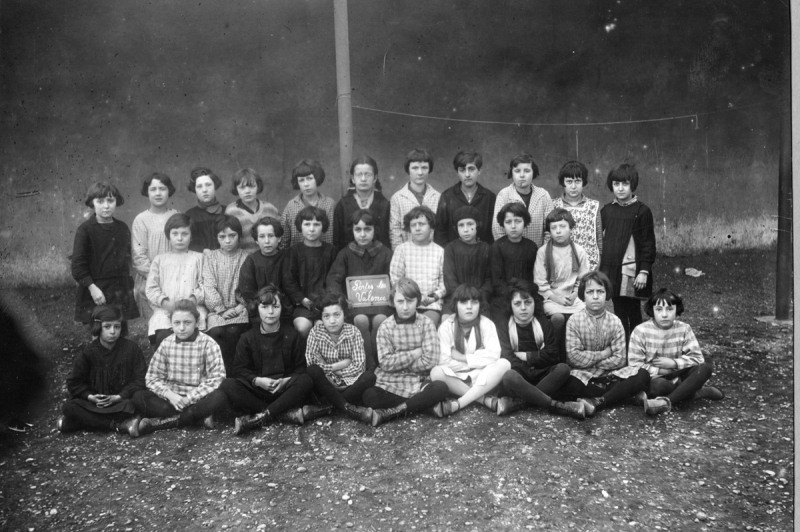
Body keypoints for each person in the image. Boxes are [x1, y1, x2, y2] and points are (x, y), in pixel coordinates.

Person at [220, 285, 326, 435]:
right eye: (265, 307)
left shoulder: (292, 334)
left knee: (306, 380)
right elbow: (239, 369)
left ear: (282, 308)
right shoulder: (247, 338)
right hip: (258, 392)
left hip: (285, 391)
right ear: (257, 309)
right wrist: (257, 381)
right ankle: (282, 414)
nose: (270, 312)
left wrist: (286, 381)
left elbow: (301, 367)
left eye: (275, 306)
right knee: (228, 384)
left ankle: (261, 416)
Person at [361, 278, 450, 426]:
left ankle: (393, 412)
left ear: (418, 301)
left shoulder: (426, 323)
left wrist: (399, 363)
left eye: (410, 301)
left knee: (441, 387)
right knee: (369, 396)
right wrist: (415, 353)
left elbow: (431, 361)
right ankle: (422, 405)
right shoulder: (386, 326)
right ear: (393, 302)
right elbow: (385, 363)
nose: (405, 307)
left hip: (419, 380)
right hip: (391, 381)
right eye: (400, 301)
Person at [134, 299, 228, 436]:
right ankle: (199, 418)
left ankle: (169, 421)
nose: (182, 328)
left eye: (187, 323)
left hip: (198, 399)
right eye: (177, 323)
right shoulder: (166, 344)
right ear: (171, 323)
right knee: (139, 397)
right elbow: (152, 377)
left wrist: (189, 398)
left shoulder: (208, 344)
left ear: (197, 322)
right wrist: (170, 395)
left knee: (221, 396)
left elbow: (217, 377)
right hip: (172, 400)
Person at [494, 279, 586, 419]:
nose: (523, 308)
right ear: (511, 305)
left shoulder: (542, 322)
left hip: (543, 374)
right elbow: (508, 357)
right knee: (509, 376)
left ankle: (521, 402)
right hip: (520, 376)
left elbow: (552, 354)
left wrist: (526, 356)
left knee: (563, 369)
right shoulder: (504, 325)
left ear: (534, 303)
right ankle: (556, 405)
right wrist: (534, 360)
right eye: (517, 304)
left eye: (528, 302)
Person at [562, 271, 650, 416]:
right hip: (583, 376)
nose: (595, 297)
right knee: (568, 383)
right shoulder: (574, 321)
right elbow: (573, 358)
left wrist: (590, 360)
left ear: (607, 294)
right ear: (583, 295)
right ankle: (621, 396)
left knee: (643, 374)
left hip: (612, 375)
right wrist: (604, 354)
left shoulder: (615, 321)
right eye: (590, 292)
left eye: (600, 292)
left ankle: (598, 401)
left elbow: (620, 359)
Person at [628, 288, 724, 415]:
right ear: (652, 311)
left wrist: (673, 363)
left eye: (669, 309)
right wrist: (660, 371)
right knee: (657, 387)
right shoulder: (641, 331)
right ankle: (698, 393)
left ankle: (666, 402)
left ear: (677, 310)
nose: (664, 314)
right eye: (659, 310)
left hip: (679, 374)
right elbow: (634, 365)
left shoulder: (684, 328)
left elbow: (697, 358)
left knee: (704, 368)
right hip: (654, 378)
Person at [57, 305, 146, 436]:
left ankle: (78, 423)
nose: (112, 332)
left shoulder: (132, 349)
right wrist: (91, 397)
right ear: (98, 327)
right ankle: (119, 425)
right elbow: (74, 383)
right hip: (95, 404)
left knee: (136, 404)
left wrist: (119, 396)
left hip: (121, 402)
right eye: (107, 327)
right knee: (68, 407)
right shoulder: (88, 352)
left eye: (117, 327)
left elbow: (140, 380)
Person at [326, 209, 393, 369]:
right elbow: (333, 279)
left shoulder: (385, 253)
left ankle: (379, 359)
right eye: (358, 230)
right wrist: (342, 299)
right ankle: (368, 362)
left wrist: (391, 294)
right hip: (355, 306)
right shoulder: (346, 254)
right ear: (352, 231)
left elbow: (395, 277)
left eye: (367, 229)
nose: (363, 234)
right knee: (361, 320)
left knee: (380, 320)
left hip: (380, 305)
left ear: (375, 230)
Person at [429, 284, 509, 417]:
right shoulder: (446, 327)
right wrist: (479, 359)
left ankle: (458, 403)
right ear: (455, 305)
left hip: (482, 374)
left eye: (474, 302)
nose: (469, 307)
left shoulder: (487, 324)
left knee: (504, 363)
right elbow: (443, 361)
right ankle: (484, 400)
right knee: (436, 372)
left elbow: (494, 354)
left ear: (480, 305)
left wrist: (463, 358)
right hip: (456, 376)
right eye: (464, 302)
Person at [599, 164, 656, 341]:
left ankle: (638, 346)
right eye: (616, 184)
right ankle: (622, 347)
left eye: (625, 184)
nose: (621, 188)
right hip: (612, 270)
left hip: (632, 271)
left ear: (633, 185)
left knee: (633, 311)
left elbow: (648, 243)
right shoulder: (607, 210)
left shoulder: (642, 211)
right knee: (618, 310)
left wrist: (644, 271)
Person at [71, 182, 139, 325]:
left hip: (119, 289)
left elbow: (127, 259)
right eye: (100, 201)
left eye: (110, 200)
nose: (106, 206)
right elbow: (78, 266)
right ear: (92, 203)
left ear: (116, 202)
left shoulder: (122, 228)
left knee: (119, 329)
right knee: (100, 329)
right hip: (96, 289)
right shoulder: (85, 230)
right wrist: (92, 288)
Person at [305, 292, 377, 424]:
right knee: (313, 371)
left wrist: (331, 368)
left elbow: (359, 366)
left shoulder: (353, 332)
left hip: (349, 384)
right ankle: (347, 407)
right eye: (326, 316)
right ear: (321, 316)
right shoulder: (315, 332)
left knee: (369, 377)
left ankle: (327, 408)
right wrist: (342, 364)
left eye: (337, 315)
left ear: (344, 314)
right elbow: (312, 362)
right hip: (325, 385)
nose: (332, 321)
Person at [534, 208, 590, 358]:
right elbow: (540, 282)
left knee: (582, 318)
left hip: (574, 298)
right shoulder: (543, 252)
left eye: (563, 226)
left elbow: (583, 279)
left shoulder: (579, 251)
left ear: (571, 228)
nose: (558, 231)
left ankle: (576, 355)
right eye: (554, 228)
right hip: (552, 298)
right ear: (549, 232)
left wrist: (575, 294)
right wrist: (555, 298)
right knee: (558, 319)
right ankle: (556, 355)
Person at [145, 213, 206, 349]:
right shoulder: (160, 260)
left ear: (191, 236)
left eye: (185, 234)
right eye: (175, 234)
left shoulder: (199, 258)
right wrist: (165, 303)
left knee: (194, 339)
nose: (179, 238)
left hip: (193, 308)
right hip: (166, 310)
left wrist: (191, 301)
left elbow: (204, 284)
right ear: (168, 236)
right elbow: (151, 288)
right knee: (163, 337)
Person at [202, 216, 250, 374]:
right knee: (217, 332)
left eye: (232, 236)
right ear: (217, 238)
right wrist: (221, 309)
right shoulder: (210, 257)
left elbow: (249, 286)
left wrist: (242, 305)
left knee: (235, 330)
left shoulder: (246, 257)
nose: (227, 241)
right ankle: (221, 373)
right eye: (222, 237)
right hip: (217, 310)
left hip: (240, 308)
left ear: (239, 236)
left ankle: (236, 373)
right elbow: (208, 286)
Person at [282, 206, 337, 338]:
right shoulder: (294, 251)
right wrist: (302, 300)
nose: (311, 229)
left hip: (325, 303)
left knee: (322, 327)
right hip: (301, 304)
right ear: (300, 226)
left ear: (323, 226)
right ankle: (303, 358)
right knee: (303, 327)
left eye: (316, 224)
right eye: (307, 224)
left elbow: (334, 279)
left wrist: (325, 301)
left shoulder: (331, 251)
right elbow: (288, 280)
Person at [131, 172, 178, 321]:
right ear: (147, 192)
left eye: (162, 189)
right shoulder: (141, 220)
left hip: (176, 277)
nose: (158, 193)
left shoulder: (176, 216)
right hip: (149, 280)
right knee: (155, 327)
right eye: (153, 189)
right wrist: (156, 278)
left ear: (169, 191)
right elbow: (139, 256)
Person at [389, 206, 446, 328]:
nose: (417, 228)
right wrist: (408, 297)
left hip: (430, 305)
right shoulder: (402, 250)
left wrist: (434, 297)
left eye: (422, 224)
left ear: (431, 226)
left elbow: (444, 282)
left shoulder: (440, 251)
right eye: (413, 225)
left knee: (426, 324)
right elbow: (395, 279)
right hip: (406, 302)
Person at [489, 202, 539, 321]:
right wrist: (513, 297)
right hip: (503, 297)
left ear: (525, 223)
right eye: (508, 222)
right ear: (502, 224)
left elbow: (533, 278)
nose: (513, 226)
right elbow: (497, 281)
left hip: (527, 296)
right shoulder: (497, 247)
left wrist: (525, 297)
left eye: (518, 221)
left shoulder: (531, 247)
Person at [237, 216, 293, 324]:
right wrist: (263, 308)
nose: (267, 241)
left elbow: (291, 287)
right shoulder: (252, 261)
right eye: (262, 236)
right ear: (256, 240)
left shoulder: (288, 257)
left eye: (271, 236)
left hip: (285, 311)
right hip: (260, 312)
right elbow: (247, 292)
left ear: (279, 238)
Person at [434, 151, 496, 247]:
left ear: (479, 171)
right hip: (454, 256)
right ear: (457, 173)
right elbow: (440, 231)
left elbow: (493, 230)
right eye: (462, 170)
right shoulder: (447, 196)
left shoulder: (489, 197)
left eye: (471, 169)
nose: (467, 174)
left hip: (482, 255)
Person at [491, 153, 553, 246]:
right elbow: (498, 229)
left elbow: (549, 228)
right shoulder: (504, 195)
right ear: (511, 173)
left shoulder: (543, 195)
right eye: (517, 171)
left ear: (534, 172)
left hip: (538, 253)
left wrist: (543, 252)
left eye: (527, 171)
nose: (522, 175)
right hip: (510, 254)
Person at [442, 206, 492, 320]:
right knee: (447, 321)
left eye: (470, 224)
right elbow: (450, 278)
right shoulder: (451, 248)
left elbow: (488, 280)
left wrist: (479, 298)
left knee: (484, 322)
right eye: (461, 225)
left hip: (479, 299)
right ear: (456, 228)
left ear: (477, 225)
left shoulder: (485, 248)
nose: (465, 229)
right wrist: (461, 298)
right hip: (455, 298)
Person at [551, 161, 603, 271]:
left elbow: (598, 239)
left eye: (577, 181)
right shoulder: (553, 205)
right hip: (560, 266)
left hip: (588, 265)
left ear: (583, 182)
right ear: (563, 183)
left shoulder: (593, 206)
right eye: (569, 182)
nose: (573, 186)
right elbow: (547, 237)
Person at [332, 156, 392, 250]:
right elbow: (337, 240)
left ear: (375, 178)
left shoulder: (384, 204)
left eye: (368, 174)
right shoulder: (343, 205)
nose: (363, 179)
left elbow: (387, 239)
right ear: (352, 178)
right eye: (359, 174)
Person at [389, 148, 441, 248]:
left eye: (424, 168)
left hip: (432, 256)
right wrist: (401, 257)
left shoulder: (438, 197)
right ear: (408, 169)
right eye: (415, 168)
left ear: (429, 169)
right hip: (406, 256)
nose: (420, 172)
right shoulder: (397, 198)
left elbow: (441, 232)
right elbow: (395, 232)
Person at [281, 159, 336, 249]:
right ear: (297, 183)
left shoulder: (330, 204)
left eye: (310, 179)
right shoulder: (291, 206)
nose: (306, 184)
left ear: (317, 179)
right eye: (301, 180)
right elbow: (284, 240)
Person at [224, 168, 280, 253]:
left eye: (251, 186)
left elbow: (280, 234)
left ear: (258, 187)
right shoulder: (231, 211)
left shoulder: (270, 208)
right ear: (236, 189)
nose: (247, 191)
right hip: (243, 260)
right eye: (242, 187)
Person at [185, 167, 227, 253]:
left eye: (208, 185)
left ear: (215, 186)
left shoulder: (227, 211)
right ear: (194, 190)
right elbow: (188, 242)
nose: (204, 190)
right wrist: (202, 250)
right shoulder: (190, 215)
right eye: (199, 186)